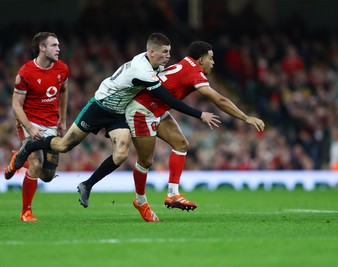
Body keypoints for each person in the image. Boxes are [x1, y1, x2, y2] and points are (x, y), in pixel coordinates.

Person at [5, 33, 220, 221]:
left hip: (118, 113)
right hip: (99, 106)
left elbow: (172, 76)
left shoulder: (153, 64)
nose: (168, 56)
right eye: (164, 52)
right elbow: (169, 100)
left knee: (121, 153)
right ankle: (29, 148)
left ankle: (87, 185)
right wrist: (200, 114)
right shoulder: (142, 70)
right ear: (151, 52)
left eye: (170, 51)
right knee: (62, 146)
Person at [79, 41, 265, 222]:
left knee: (181, 144)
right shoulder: (194, 71)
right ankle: (140, 201)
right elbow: (219, 100)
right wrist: (246, 118)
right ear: (201, 60)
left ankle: (173, 194)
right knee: (146, 161)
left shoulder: (185, 65)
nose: (213, 62)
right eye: (211, 58)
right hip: (141, 111)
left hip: (157, 110)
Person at [3, 32, 69, 222]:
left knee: (47, 175)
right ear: (42, 48)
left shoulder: (62, 69)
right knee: (37, 164)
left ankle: (19, 157)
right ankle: (26, 212)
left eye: (58, 45)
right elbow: (16, 105)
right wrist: (30, 128)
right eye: (54, 45)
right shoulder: (25, 72)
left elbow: (64, 90)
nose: (58, 49)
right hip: (30, 123)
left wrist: (62, 120)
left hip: (51, 124)